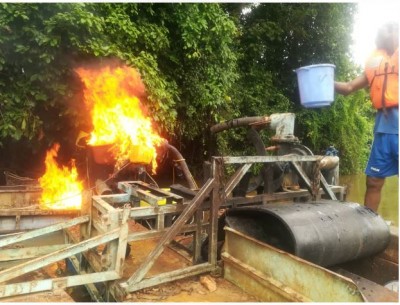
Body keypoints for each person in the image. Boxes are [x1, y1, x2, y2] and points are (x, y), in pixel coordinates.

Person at [334, 22, 398, 212]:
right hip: (383, 128)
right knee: (374, 181)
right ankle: (371, 227)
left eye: (383, 30)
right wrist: (326, 79)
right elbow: (348, 88)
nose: (378, 36)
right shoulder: (375, 61)